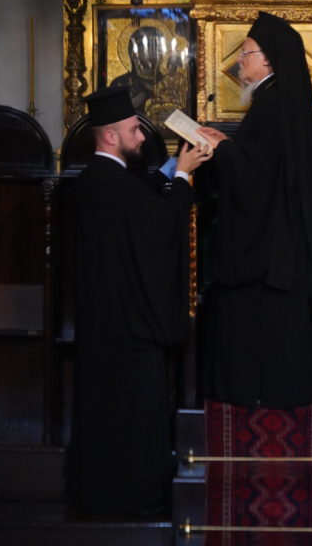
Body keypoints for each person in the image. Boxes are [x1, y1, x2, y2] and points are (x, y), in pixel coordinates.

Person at [65, 85, 212, 517]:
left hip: (103, 326)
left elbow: (142, 200)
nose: (143, 136)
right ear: (111, 136)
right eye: (134, 130)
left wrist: (171, 170)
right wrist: (183, 175)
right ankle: (137, 502)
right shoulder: (113, 186)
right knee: (131, 419)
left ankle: (98, 499)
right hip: (128, 335)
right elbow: (160, 223)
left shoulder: (99, 180)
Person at [197, 11, 312, 409]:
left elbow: (255, 175)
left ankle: (252, 389)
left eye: (245, 52)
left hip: (267, 243)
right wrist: (225, 144)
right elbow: (261, 161)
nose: (238, 60)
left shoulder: (273, 103)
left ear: (267, 60)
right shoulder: (277, 99)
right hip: (278, 234)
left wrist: (222, 148)